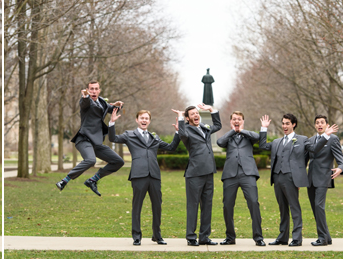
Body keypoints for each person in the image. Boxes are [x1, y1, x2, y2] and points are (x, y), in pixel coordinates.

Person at [258, 114, 336, 246]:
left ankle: (297, 238)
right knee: (283, 209)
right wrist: (264, 128)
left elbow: (314, 149)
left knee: (294, 208)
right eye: (283, 123)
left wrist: (325, 136)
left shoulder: (302, 139)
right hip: (277, 178)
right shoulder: (277, 142)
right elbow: (263, 146)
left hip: (291, 178)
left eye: (287, 123)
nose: (284, 126)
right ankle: (282, 237)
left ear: (293, 124)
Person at [107, 108, 179, 246]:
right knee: (137, 206)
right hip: (138, 175)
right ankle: (136, 236)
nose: (144, 120)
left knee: (157, 206)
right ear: (137, 120)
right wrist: (111, 123)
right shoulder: (129, 135)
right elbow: (113, 138)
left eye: (146, 118)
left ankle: (157, 236)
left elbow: (171, 147)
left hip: (154, 176)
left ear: (149, 121)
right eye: (142, 118)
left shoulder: (154, 137)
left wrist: (177, 132)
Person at [56, 80, 125, 196]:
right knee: (91, 160)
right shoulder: (86, 102)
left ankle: (93, 180)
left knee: (118, 161)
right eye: (91, 89)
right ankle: (64, 181)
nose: (93, 91)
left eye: (95, 89)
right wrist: (85, 96)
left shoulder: (102, 102)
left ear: (99, 90)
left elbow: (114, 110)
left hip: (96, 142)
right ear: (88, 90)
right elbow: (84, 103)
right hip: (84, 140)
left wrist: (119, 105)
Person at [171, 104, 221, 246]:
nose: (196, 115)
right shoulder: (186, 130)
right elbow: (182, 134)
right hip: (194, 174)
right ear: (188, 118)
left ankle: (204, 237)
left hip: (209, 172)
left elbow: (217, 125)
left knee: (207, 206)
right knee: (193, 206)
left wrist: (212, 110)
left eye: (197, 113)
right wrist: (180, 118)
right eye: (192, 114)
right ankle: (191, 237)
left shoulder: (205, 127)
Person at [216, 111, 265, 246]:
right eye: (234, 119)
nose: (236, 121)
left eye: (239, 119)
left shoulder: (248, 136)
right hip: (230, 175)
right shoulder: (228, 137)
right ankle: (230, 237)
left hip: (247, 174)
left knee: (254, 203)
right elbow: (220, 142)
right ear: (231, 121)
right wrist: (233, 131)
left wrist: (241, 130)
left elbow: (258, 137)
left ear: (243, 121)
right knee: (227, 206)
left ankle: (258, 237)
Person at [306, 115, 343, 246]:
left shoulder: (333, 139)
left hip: (323, 177)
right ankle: (327, 236)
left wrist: (340, 168)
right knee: (315, 208)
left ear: (327, 125)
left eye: (322, 122)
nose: (319, 125)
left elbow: (340, 158)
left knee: (319, 206)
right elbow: (307, 157)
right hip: (310, 179)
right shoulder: (311, 140)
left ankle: (322, 239)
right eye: (317, 123)